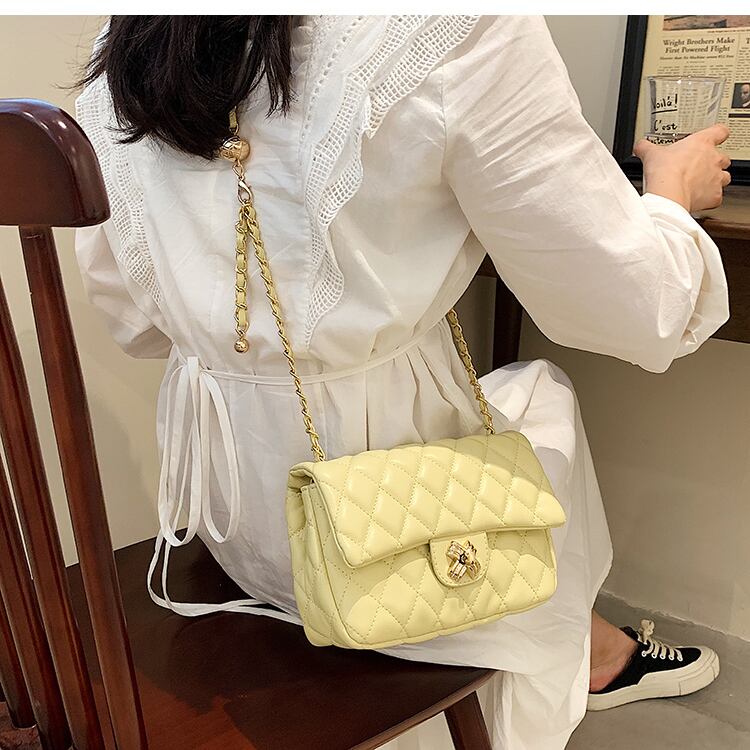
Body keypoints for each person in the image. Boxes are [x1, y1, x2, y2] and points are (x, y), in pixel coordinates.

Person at [73, 15, 731, 750]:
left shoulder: (128, 44)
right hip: (377, 531)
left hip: (231, 519)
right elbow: (634, 307)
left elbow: (133, 324)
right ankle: (594, 654)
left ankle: (597, 644)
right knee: (538, 407)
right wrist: (672, 196)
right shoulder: (453, 27)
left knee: (511, 414)